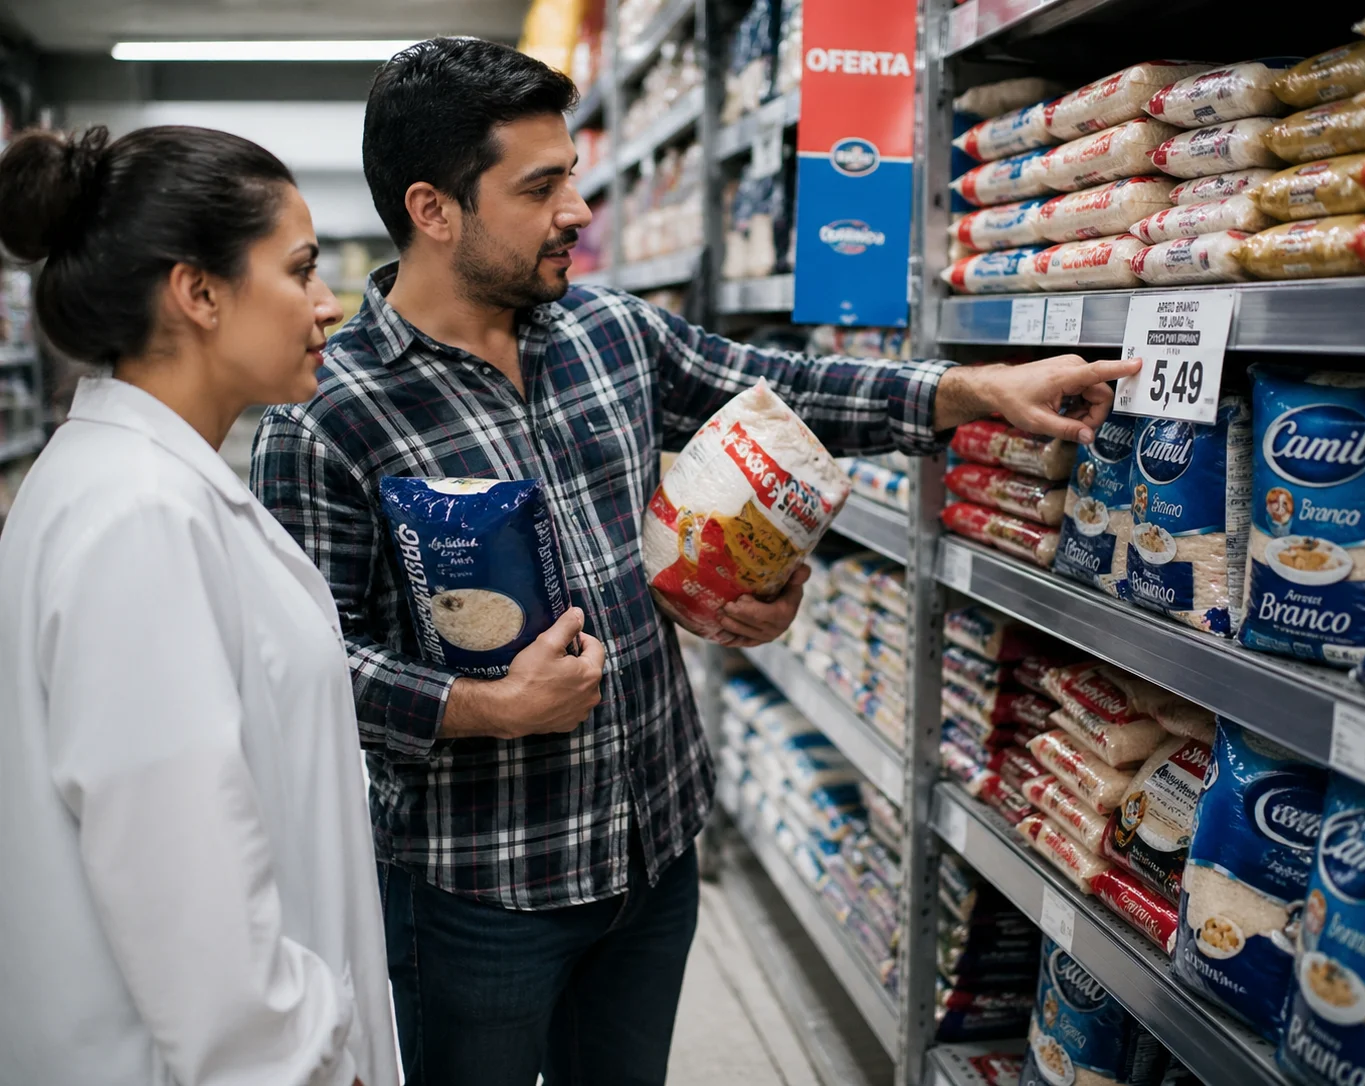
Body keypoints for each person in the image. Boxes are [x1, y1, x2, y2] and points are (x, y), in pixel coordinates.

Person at [252, 37, 1139, 1086]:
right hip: (479, 887)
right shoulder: (326, 417)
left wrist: (972, 394)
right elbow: (304, 662)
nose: (576, 213)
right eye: (540, 188)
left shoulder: (606, 332)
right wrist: (478, 706)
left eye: (573, 177)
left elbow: (775, 387)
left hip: (654, 843)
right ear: (433, 209)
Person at [0, 125, 396, 1086]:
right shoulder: (137, 516)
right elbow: (184, 880)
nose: (329, 304)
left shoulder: (140, 483)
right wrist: (302, 1058)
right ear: (199, 292)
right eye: (299, 270)